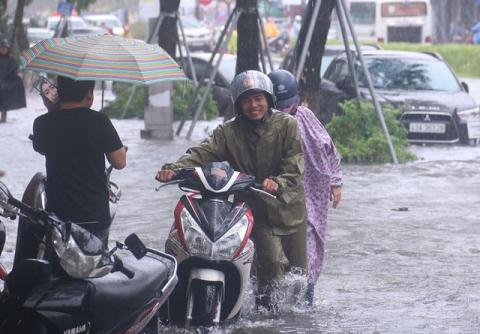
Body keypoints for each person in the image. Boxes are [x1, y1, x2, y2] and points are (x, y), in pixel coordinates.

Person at [156, 70, 307, 310]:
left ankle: (302, 317)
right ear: (238, 104)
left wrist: (277, 181)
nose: (253, 105)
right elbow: (201, 152)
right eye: (246, 100)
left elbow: (295, 162)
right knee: (273, 263)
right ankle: (268, 316)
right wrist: (174, 169)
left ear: (269, 99)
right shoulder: (228, 131)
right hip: (255, 209)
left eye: (258, 98)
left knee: (300, 275)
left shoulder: (288, 125)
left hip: (290, 208)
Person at [268, 69, 342, 305]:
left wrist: (335, 181)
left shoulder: (306, 117)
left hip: (311, 194)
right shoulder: (262, 123)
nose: (283, 111)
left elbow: (328, 148)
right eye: (278, 106)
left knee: (309, 248)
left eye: (287, 105)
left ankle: (305, 302)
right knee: (273, 250)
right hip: (276, 197)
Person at [32, 76, 126, 244]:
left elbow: (40, 147)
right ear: (89, 94)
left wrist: (51, 109)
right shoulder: (100, 121)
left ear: (59, 92)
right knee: (95, 264)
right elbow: (119, 162)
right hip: (94, 216)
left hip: (58, 217)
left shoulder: (41, 124)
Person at [0, 38, 26, 123]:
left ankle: (3, 118)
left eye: (5, 48)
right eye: (2, 48)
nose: (3, 50)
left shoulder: (11, 60)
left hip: (6, 84)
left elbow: (13, 71)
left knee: (4, 102)